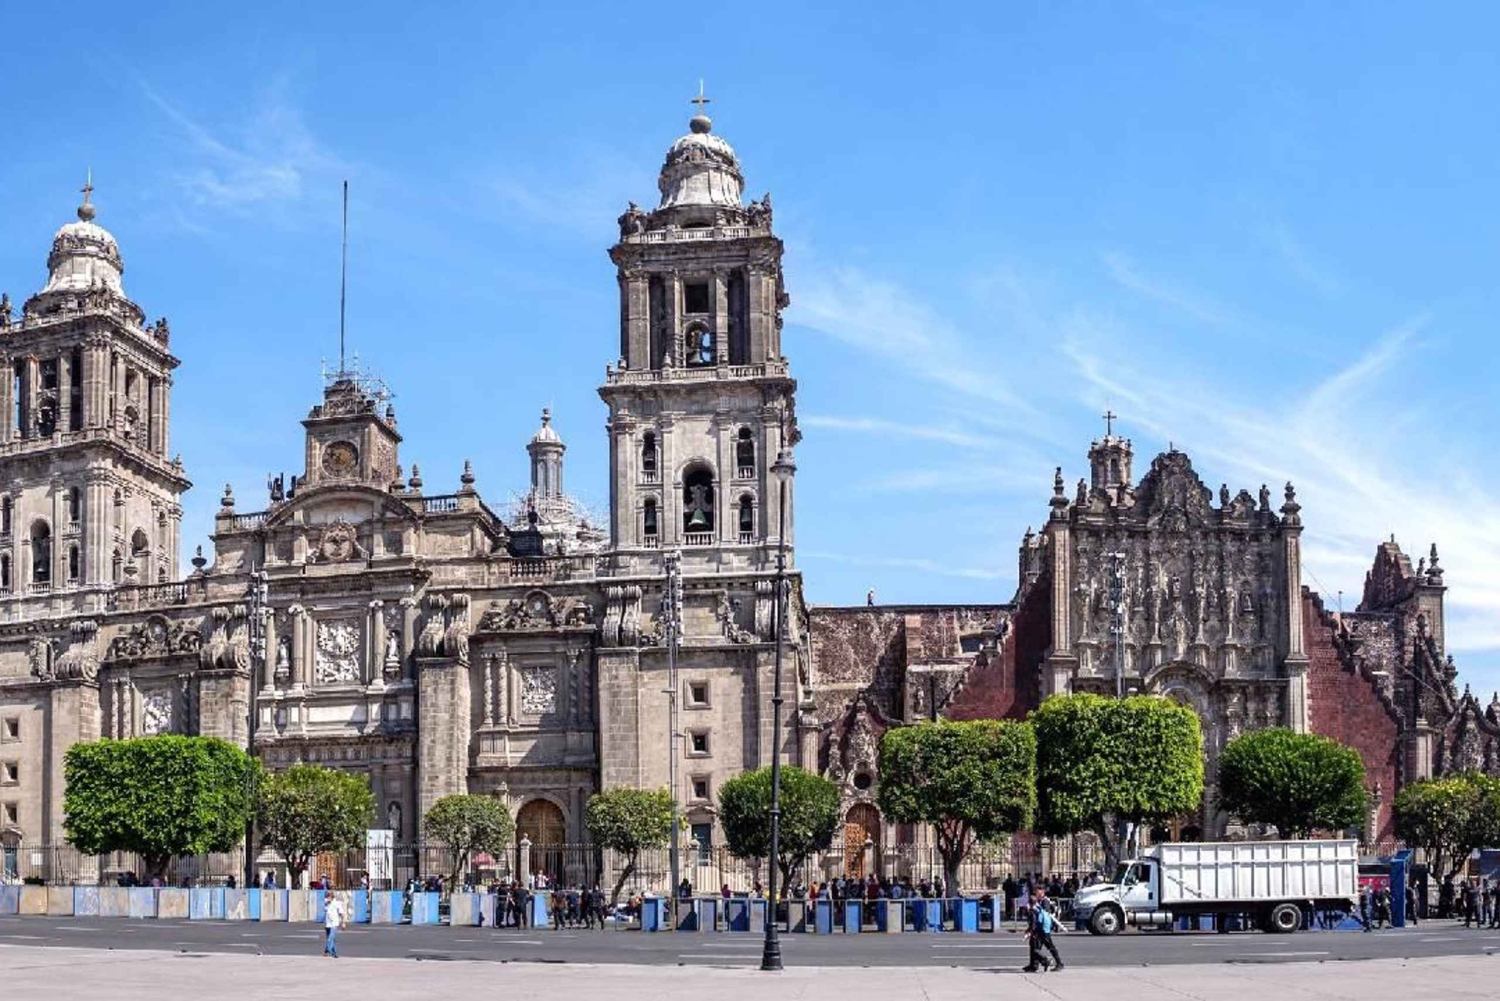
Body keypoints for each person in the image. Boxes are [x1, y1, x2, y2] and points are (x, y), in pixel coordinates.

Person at [1023, 890, 1064, 973]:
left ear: (1042, 892)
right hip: (1039, 930)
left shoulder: (1044, 902)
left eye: (1038, 893)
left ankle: (1057, 963)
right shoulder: (1038, 903)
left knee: (1049, 947)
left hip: (1043, 930)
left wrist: (1030, 930)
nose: (1037, 894)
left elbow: (1039, 918)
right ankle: (1034, 965)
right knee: (1034, 947)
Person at [323, 891, 346, 958]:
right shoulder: (326, 903)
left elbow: (342, 913)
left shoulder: (337, 903)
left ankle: (327, 950)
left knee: (330, 938)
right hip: (328, 924)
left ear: (332, 897)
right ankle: (334, 953)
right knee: (330, 939)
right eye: (326, 897)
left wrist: (343, 923)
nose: (327, 898)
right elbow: (327, 913)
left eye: (328, 897)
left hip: (334, 923)